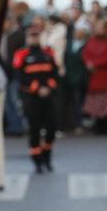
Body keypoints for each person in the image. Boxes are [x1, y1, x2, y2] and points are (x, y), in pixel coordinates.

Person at [13, 31, 62, 172]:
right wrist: (36, 89)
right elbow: (19, 77)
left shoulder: (48, 53)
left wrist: (49, 87)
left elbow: (55, 73)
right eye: (32, 35)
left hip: (48, 96)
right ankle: (37, 161)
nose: (35, 38)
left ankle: (47, 156)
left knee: (51, 128)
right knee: (34, 130)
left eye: (37, 35)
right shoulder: (22, 54)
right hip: (31, 98)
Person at [81, 19, 107, 133]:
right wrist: (88, 63)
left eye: (100, 27)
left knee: (106, 103)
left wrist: (95, 64)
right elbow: (85, 53)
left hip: (105, 75)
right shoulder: (92, 40)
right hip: (93, 76)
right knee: (95, 102)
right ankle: (97, 125)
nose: (98, 29)